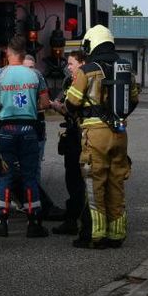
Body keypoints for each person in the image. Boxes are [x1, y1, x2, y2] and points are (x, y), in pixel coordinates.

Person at [64, 25, 139, 249]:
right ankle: (117, 234)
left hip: (95, 135)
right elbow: (133, 100)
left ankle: (97, 235)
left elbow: (72, 102)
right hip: (120, 133)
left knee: (94, 183)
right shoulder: (125, 68)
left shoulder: (87, 70)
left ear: (92, 43)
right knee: (116, 183)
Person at [0, 35, 55, 238]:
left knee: (4, 175)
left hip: (5, 130)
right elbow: (44, 104)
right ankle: (34, 223)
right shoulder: (35, 75)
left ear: (8, 53)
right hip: (28, 130)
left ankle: (1, 221)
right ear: (24, 54)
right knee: (29, 176)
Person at [51, 48, 91, 239]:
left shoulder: (85, 81)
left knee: (78, 180)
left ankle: (79, 221)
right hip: (74, 135)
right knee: (72, 179)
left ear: (82, 63)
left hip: (81, 136)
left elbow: (74, 108)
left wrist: (62, 108)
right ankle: (73, 219)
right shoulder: (70, 81)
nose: (68, 67)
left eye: (71, 63)